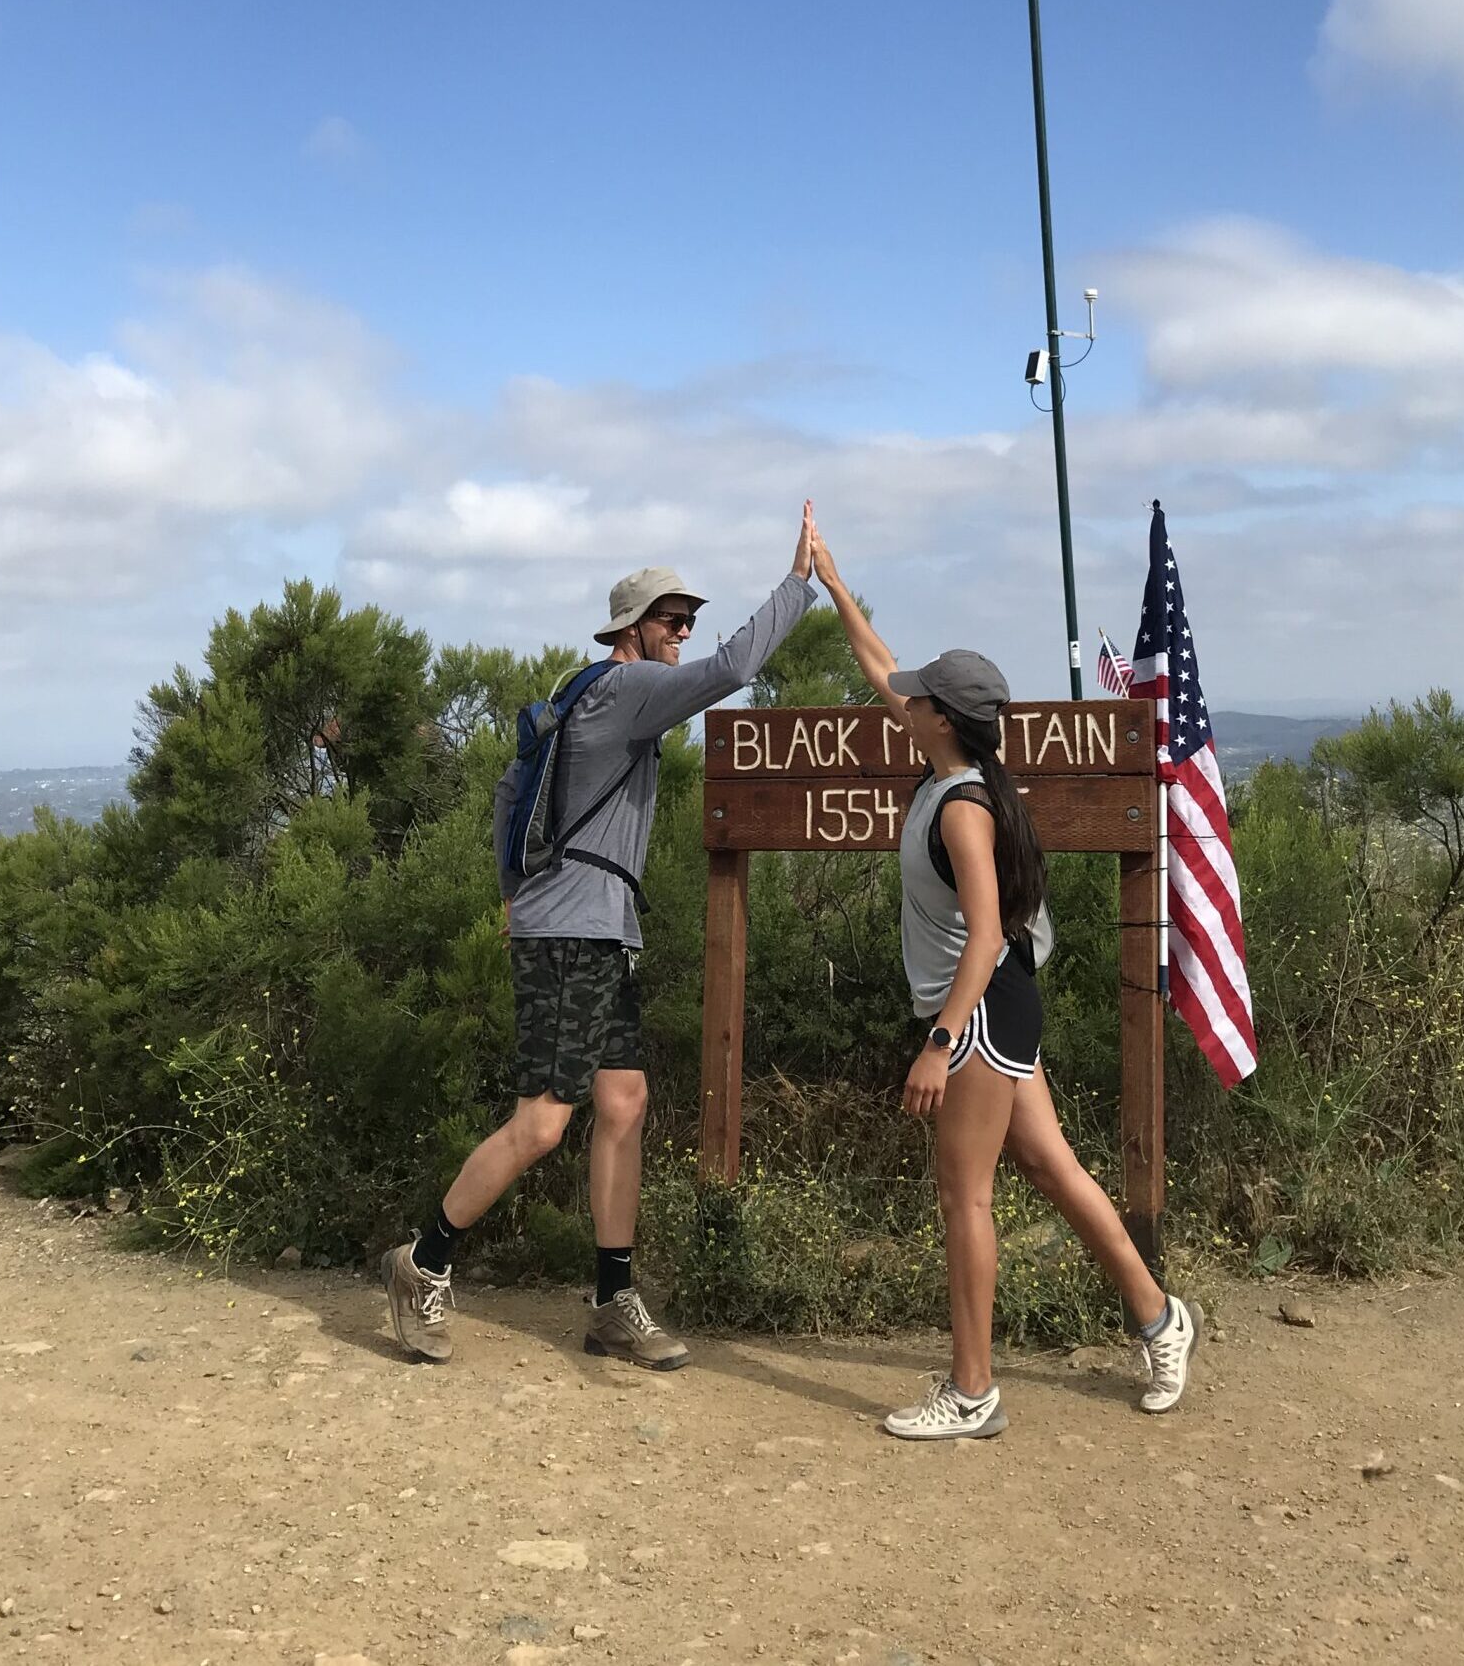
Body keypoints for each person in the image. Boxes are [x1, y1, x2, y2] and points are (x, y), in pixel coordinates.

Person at [382, 504, 820, 1369]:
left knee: (623, 1103)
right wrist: (800, 584)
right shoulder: (624, 690)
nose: (684, 633)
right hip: (573, 933)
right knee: (544, 1122)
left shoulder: (569, 696)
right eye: (670, 619)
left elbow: (512, 795)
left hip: (592, 927)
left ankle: (613, 1301)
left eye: (687, 618)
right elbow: (735, 666)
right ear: (630, 629)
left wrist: (516, 889)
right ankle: (422, 1261)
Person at [810, 527, 1201, 1438]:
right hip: (1000, 1005)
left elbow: (985, 934)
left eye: (920, 700)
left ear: (943, 717)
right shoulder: (959, 766)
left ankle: (973, 1389)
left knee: (966, 1197)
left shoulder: (962, 810)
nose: (902, 701)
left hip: (979, 1012)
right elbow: (882, 668)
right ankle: (1158, 1315)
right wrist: (833, 581)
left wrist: (939, 1044)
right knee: (1049, 1165)